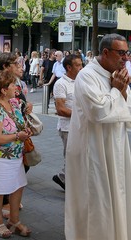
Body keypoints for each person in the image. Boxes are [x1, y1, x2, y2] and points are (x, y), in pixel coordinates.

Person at [65, 33, 131, 240]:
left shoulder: (118, 75)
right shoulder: (87, 76)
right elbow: (98, 112)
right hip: (93, 148)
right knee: (97, 200)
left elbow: (126, 109)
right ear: (105, 52)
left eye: (127, 53)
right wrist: (117, 90)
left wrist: (122, 92)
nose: (126, 58)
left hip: (116, 144)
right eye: (121, 53)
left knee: (118, 194)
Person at [0, 70, 32, 238]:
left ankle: (14, 220)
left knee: (17, 186)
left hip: (15, 155)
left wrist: (25, 130)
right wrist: (18, 136)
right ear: (3, 90)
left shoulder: (14, 103)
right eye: (12, 85)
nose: (16, 87)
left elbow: (19, 122)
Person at [52, 54, 83, 190]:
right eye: (78, 65)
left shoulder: (82, 81)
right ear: (68, 67)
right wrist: (82, 114)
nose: (81, 67)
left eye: (81, 64)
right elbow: (60, 109)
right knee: (71, 158)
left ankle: (64, 178)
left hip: (82, 126)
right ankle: (71, 187)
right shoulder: (60, 84)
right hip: (68, 128)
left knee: (80, 156)